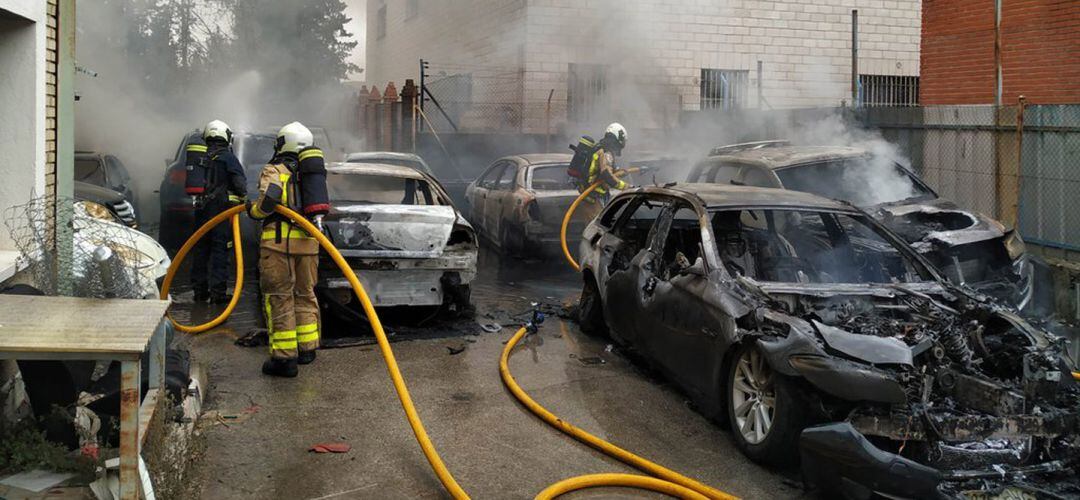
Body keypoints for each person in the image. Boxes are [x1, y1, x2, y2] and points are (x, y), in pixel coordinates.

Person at [247, 122, 330, 377]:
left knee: (279, 296)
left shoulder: (275, 169)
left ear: (283, 143)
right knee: (305, 294)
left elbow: (269, 200)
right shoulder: (312, 174)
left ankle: (284, 360)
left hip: (279, 245)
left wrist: (252, 211)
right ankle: (307, 349)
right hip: (309, 244)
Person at [188, 120, 246, 304]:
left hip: (201, 210)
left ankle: (199, 292)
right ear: (226, 136)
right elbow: (240, 185)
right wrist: (243, 198)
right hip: (221, 211)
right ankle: (218, 293)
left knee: (201, 249)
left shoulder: (200, 156)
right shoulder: (228, 158)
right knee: (220, 250)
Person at [578, 123, 630, 220]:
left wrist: (622, 172)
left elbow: (607, 171)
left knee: (600, 224)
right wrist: (627, 187)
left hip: (593, 196)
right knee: (597, 226)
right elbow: (606, 175)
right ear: (618, 138)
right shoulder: (606, 152)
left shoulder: (600, 148)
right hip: (594, 198)